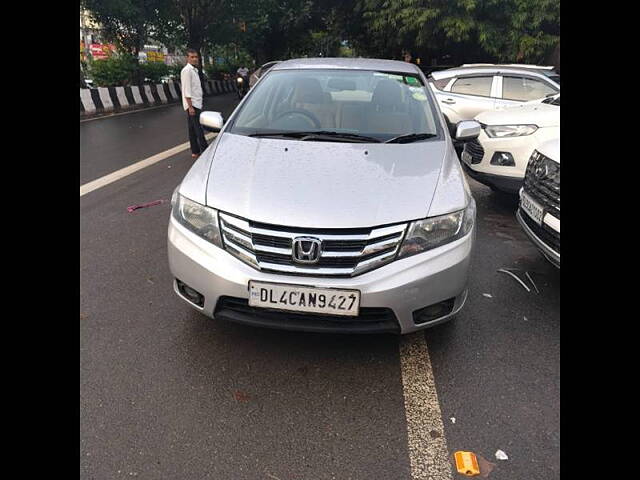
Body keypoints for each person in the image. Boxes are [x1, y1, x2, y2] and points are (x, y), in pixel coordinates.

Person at [180, 49, 208, 159]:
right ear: (187, 58)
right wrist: (190, 106)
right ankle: (205, 150)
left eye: (196, 57)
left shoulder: (194, 70)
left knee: (192, 129)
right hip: (193, 105)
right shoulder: (187, 71)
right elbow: (186, 90)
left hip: (196, 103)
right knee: (198, 129)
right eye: (192, 57)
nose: (195, 59)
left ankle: (195, 151)